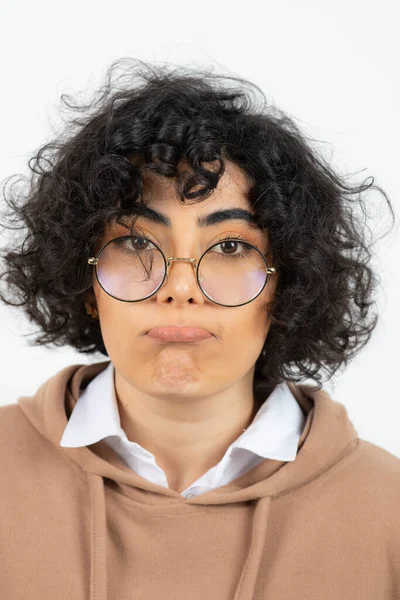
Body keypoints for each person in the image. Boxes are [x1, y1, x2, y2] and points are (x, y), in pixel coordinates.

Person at [0, 57, 398, 600]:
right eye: (137, 242)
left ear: (288, 286)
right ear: (83, 280)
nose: (180, 287)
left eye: (231, 246)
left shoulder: (387, 508)